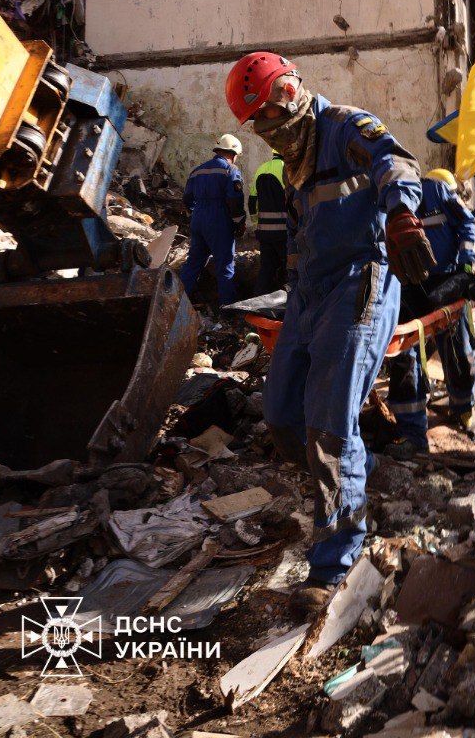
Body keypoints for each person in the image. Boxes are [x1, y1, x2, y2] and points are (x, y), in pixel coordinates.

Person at [225, 51, 433, 610]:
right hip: (309, 293)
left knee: (328, 424)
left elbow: (395, 161)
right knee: (281, 415)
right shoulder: (292, 163)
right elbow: (301, 234)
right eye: (258, 127)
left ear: (290, 95)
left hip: (360, 279)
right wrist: (290, 294)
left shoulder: (344, 128)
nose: (269, 134)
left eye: (271, 119)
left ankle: (335, 565)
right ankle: (350, 478)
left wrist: (401, 214)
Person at [386, 168, 475, 454]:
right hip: (410, 287)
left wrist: (466, 261)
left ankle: (463, 407)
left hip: (446, 281)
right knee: (404, 355)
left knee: (457, 348)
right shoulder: (388, 201)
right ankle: (411, 431)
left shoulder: (436, 191)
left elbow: (467, 223)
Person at [179, 134, 245, 307]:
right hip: (219, 220)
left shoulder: (197, 171)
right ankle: (228, 309)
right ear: (233, 153)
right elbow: (235, 200)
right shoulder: (230, 170)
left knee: (193, 264)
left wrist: (196, 212)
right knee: (225, 265)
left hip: (198, 219)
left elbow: (187, 198)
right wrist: (240, 222)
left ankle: (174, 301)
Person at [249, 149, 287, 294]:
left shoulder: (261, 168)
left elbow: (252, 201)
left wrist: (256, 224)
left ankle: (257, 301)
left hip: (264, 232)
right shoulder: (286, 168)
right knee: (291, 269)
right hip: (283, 232)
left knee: (266, 269)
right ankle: (290, 302)